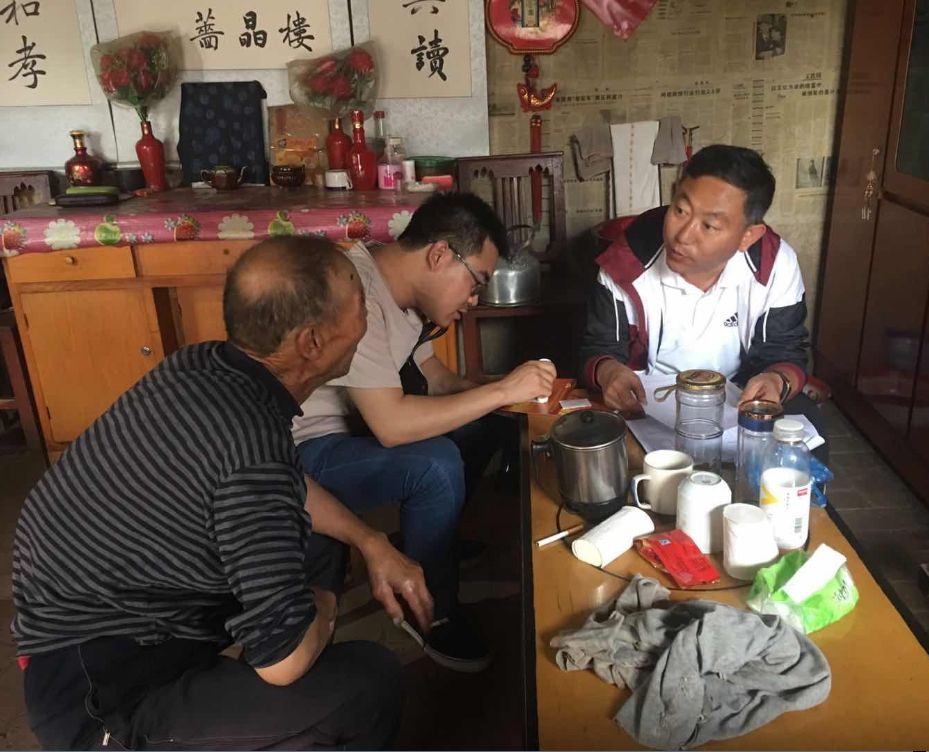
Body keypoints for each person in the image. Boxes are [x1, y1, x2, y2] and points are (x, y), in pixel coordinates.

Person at [12, 236, 435, 751]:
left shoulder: (203, 365)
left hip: (113, 623)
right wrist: (321, 607)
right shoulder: (252, 445)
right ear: (312, 342)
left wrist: (371, 541)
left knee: (322, 543)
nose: (368, 319)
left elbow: (285, 483)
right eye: (361, 308)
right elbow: (282, 662)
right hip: (101, 696)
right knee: (368, 682)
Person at [293, 192, 556, 673]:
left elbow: (436, 380)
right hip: (302, 453)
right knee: (434, 464)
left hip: (351, 433)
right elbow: (392, 427)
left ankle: (436, 542)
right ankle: (432, 610)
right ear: (439, 255)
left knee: (482, 424)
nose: (473, 300)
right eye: (476, 282)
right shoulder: (354, 292)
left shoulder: (404, 294)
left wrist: (502, 396)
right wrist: (500, 391)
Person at [580, 144, 825, 454]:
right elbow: (600, 346)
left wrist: (776, 380)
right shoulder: (626, 259)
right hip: (645, 404)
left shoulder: (774, 264)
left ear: (747, 236)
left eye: (709, 226)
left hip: (737, 400)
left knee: (806, 440)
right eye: (680, 211)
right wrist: (609, 373)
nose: (682, 235)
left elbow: (786, 349)